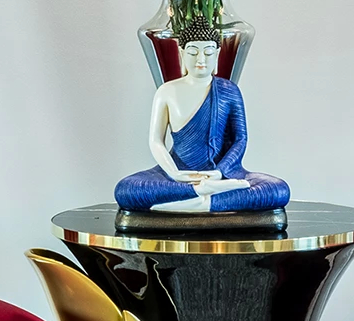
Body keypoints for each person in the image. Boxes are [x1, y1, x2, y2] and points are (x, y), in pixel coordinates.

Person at [114, 33, 291, 215]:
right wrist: (174, 173)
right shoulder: (166, 91)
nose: (201, 59)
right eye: (192, 52)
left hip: (221, 174)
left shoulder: (229, 90)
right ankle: (203, 193)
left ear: (217, 53)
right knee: (127, 189)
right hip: (177, 173)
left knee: (277, 189)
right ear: (182, 53)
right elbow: (155, 141)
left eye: (208, 52)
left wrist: (220, 172)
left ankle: (185, 203)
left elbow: (240, 139)